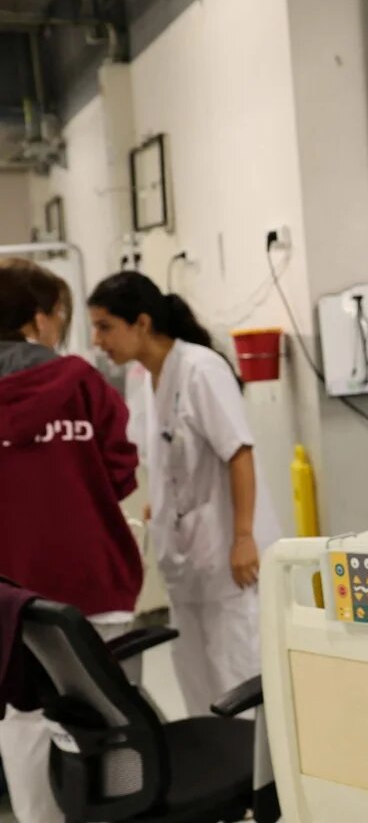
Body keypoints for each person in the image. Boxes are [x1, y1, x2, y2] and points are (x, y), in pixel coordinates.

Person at [87, 272, 281, 719]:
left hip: (229, 554)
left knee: (238, 669)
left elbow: (239, 453)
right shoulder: (143, 379)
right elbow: (163, 454)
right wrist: (160, 500)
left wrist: (244, 536)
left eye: (105, 327)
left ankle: (256, 780)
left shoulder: (201, 369)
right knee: (196, 676)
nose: (98, 340)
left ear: (141, 323)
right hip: (186, 557)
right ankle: (217, 771)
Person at [0, 259, 142, 823]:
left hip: (12, 596)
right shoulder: (81, 382)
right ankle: (124, 811)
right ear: (37, 320)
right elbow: (121, 473)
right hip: (94, 575)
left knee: (24, 719)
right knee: (115, 715)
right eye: (59, 313)